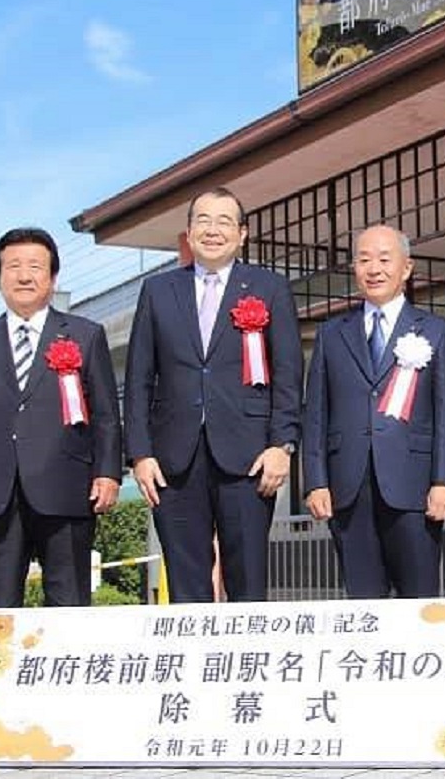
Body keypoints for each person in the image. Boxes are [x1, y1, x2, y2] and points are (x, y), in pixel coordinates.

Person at [124, 187, 302, 602]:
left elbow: (289, 375)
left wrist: (282, 445)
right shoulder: (159, 290)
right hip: (173, 460)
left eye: (224, 221)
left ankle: (246, 662)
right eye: (203, 220)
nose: (212, 230)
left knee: (248, 579)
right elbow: (137, 378)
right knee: (187, 583)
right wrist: (140, 453)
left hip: (249, 457)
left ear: (242, 234)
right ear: (188, 232)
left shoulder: (269, 287)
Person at [0, 227, 122, 608]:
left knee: (69, 601)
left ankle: (70, 667)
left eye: (34, 266)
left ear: (53, 277)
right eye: (13, 266)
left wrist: (108, 472)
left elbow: (107, 414)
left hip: (67, 488)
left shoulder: (84, 335)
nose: (24, 276)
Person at [302, 224, 445, 598]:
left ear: (406, 268)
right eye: (363, 260)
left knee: (418, 599)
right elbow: (316, 414)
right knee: (362, 603)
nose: (373, 269)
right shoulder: (332, 333)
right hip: (348, 487)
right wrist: (315, 479)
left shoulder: (437, 332)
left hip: (414, 487)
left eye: (384, 259)